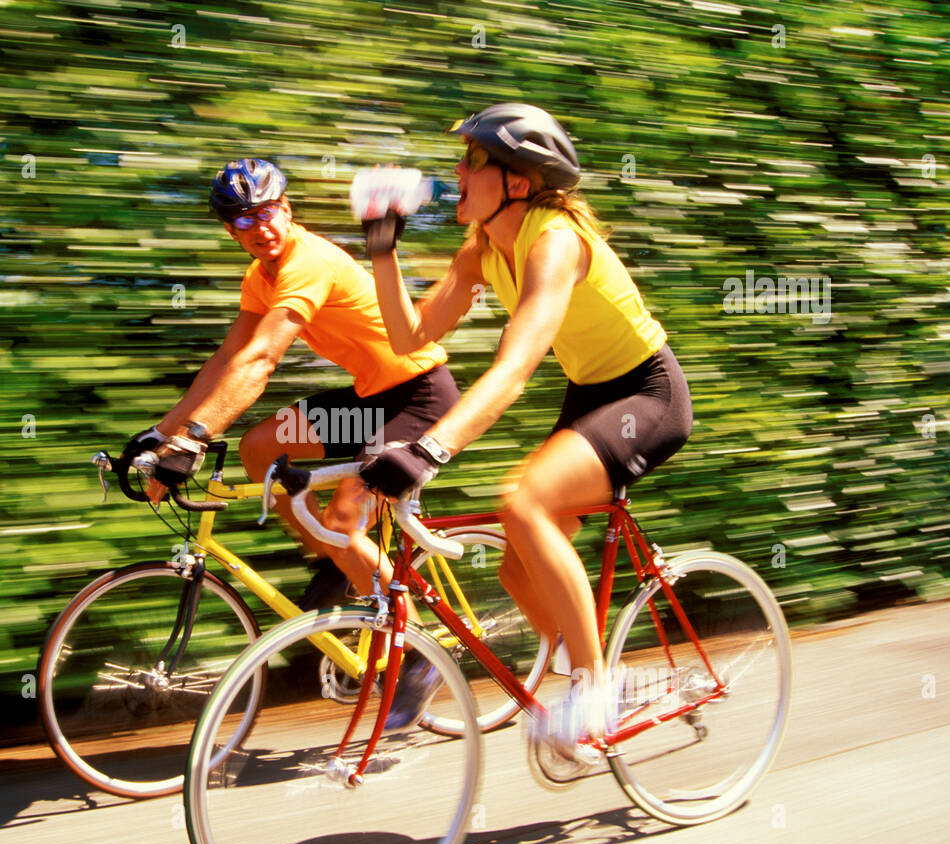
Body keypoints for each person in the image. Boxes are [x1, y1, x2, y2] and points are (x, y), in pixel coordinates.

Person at [355, 104, 693, 771]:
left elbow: (515, 367)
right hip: (590, 393)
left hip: (647, 395)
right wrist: (382, 253)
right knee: (517, 563)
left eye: (472, 161)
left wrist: (428, 451)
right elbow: (409, 337)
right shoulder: (482, 247)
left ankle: (594, 691)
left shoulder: (555, 240)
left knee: (524, 501)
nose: (455, 171)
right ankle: (592, 675)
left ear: (518, 180)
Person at [125, 158, 459, 609]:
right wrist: (163, 433)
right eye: (245, 220)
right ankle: (337, 559)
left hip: (421, 399)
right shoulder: (259, 278)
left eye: (266, 212)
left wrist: (195, 439)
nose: (259, 228)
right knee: (260, 447)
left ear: (286, 209)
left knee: (343, 522)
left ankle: (415, 647)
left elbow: (261, 360)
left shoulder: (308, 262)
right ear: (232, 232)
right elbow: (228, 359)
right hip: (371, 401)